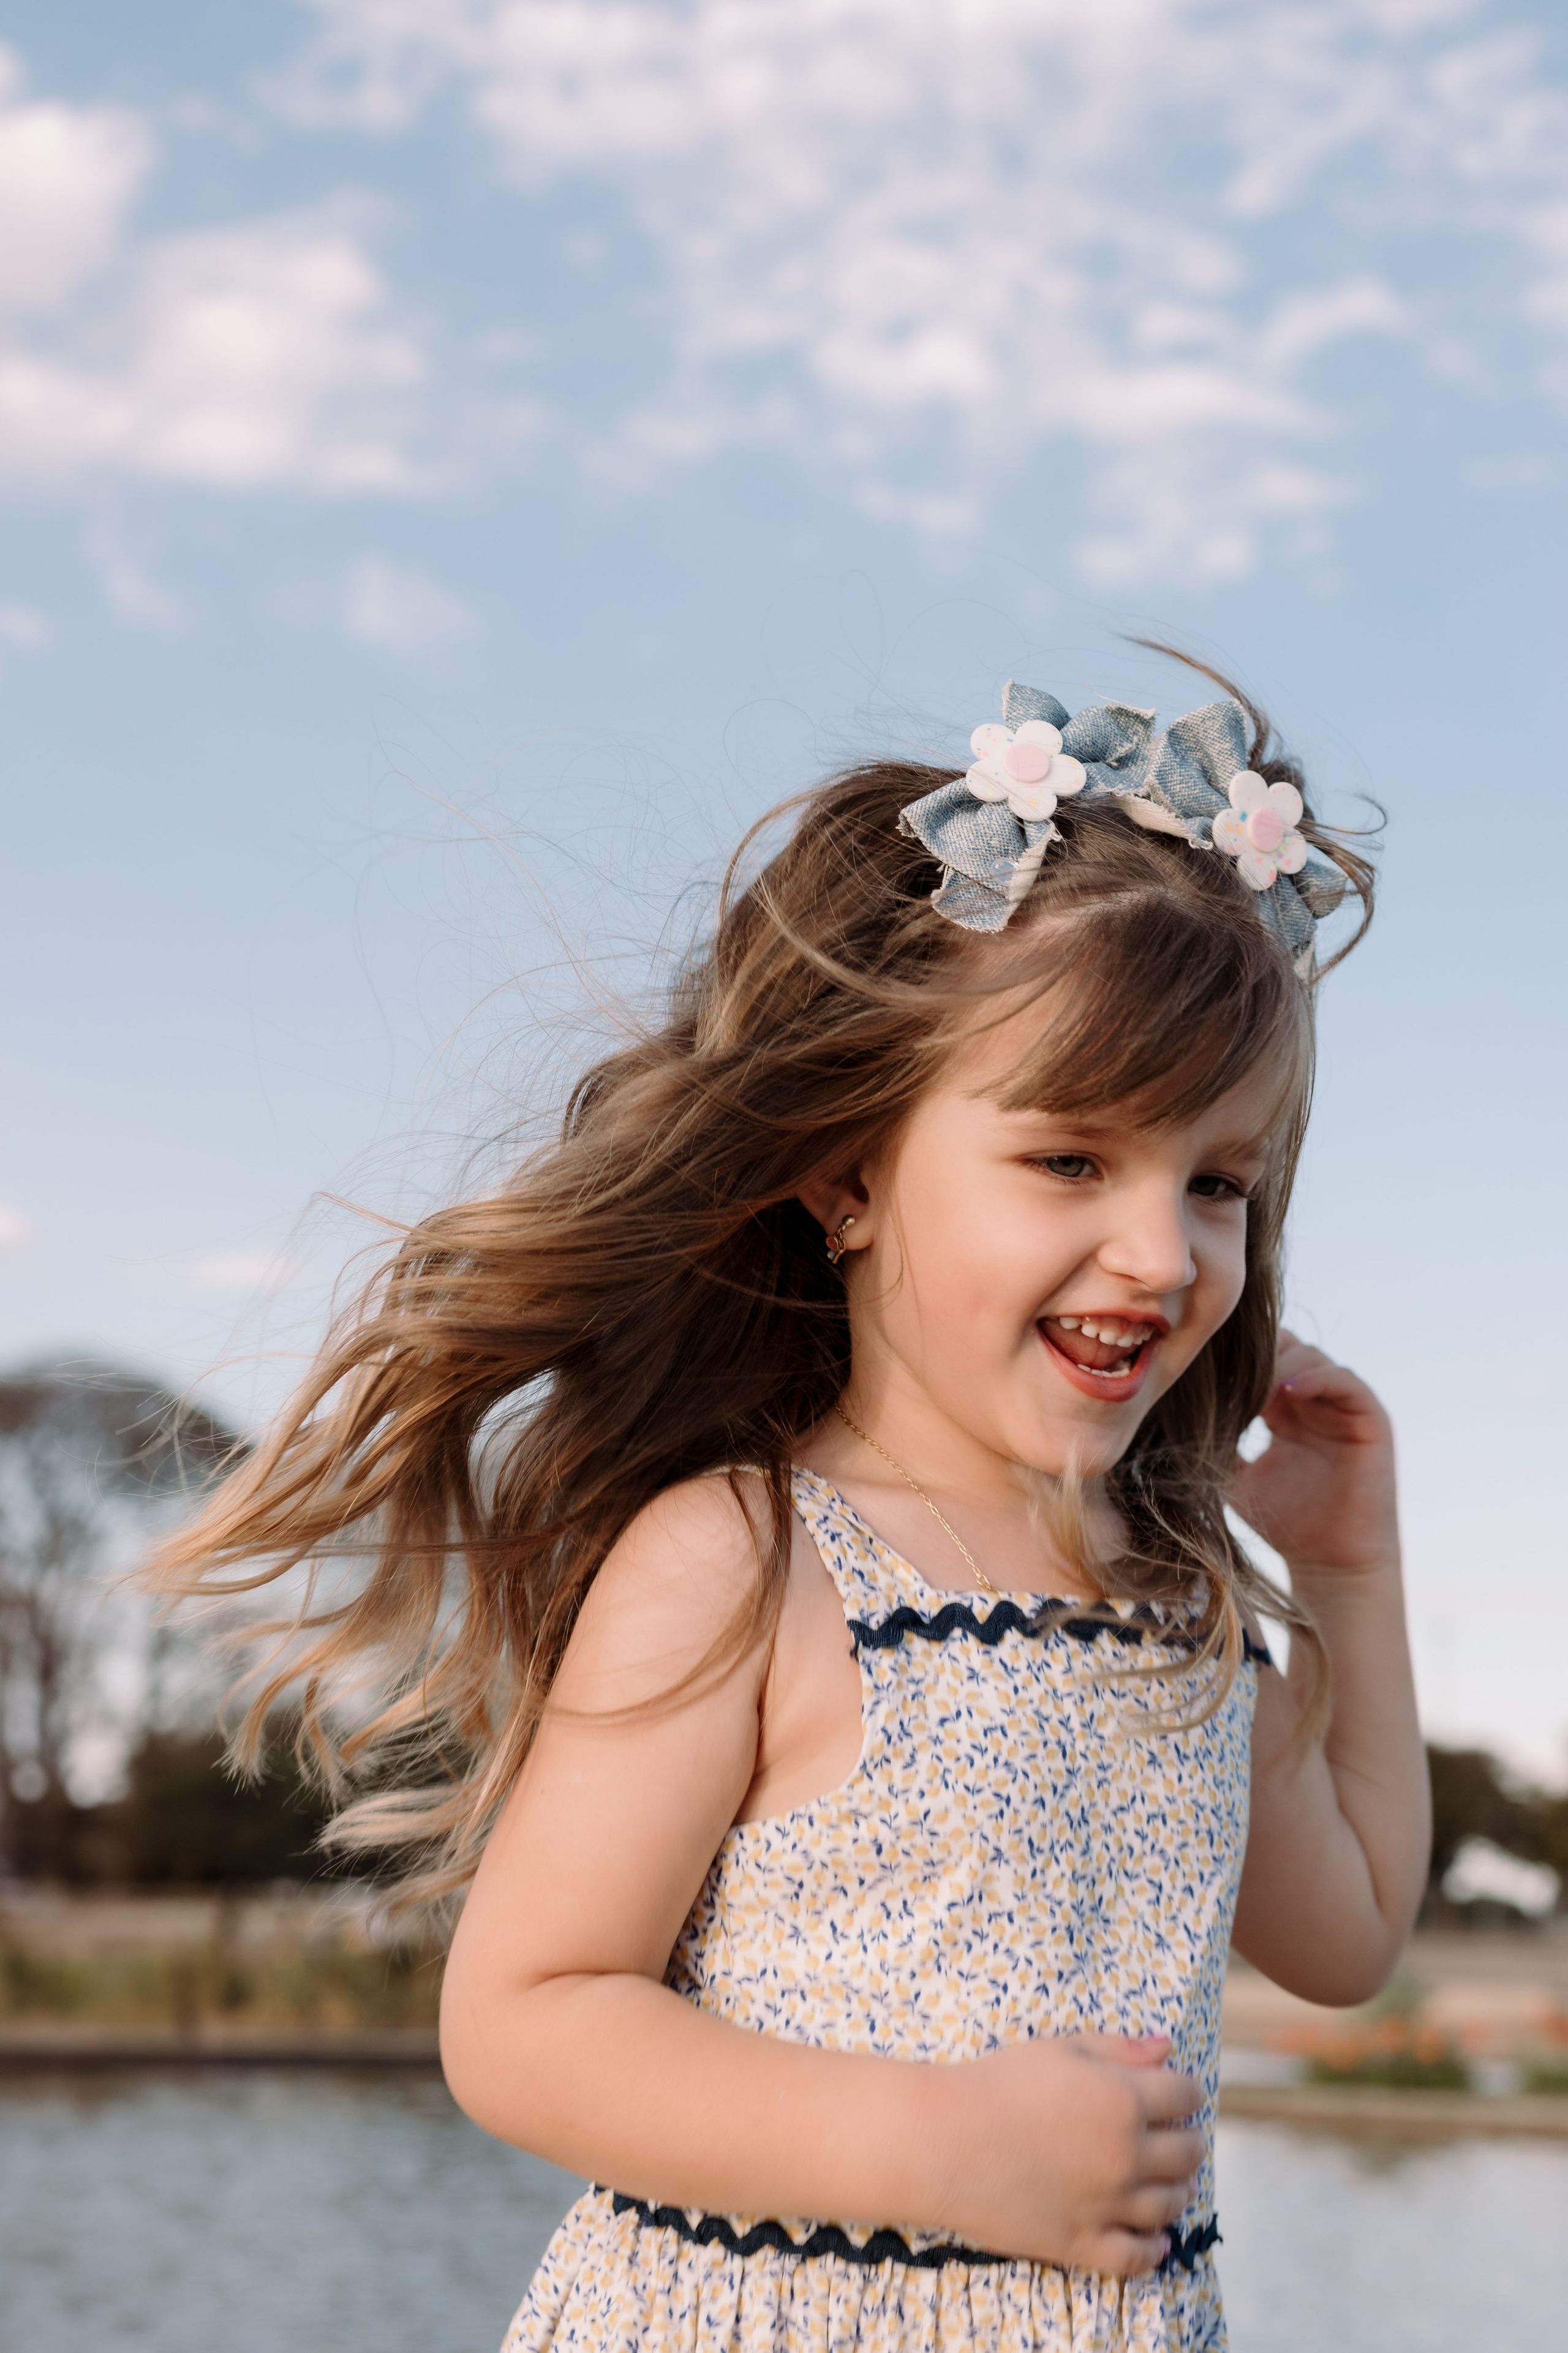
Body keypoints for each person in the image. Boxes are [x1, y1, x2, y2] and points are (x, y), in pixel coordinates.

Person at [155, 664, 1430, 2352]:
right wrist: (945, 2146)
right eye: (1071, 1160)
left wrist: (1351, 1563)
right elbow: (526, 2019)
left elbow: (1348, 1930)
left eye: (1217, 1181)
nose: (1159, 1248)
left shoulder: (1175, 1608)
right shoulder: (747, 1560)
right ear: (848, 1172)